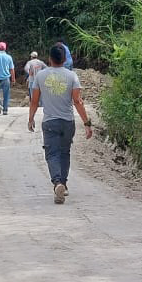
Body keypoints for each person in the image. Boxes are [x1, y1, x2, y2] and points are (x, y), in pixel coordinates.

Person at [26, 43, 92, 204]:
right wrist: (86, 123)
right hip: (68, 122)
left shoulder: (41, 76)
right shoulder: (72, 76)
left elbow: (34, 101)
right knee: (64, 153)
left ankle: (57, 183)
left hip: (50, 122)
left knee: (52, 154)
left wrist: (31, 118)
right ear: (64, 59)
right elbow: (77, 101)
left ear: (49, 59)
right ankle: (64, 183)